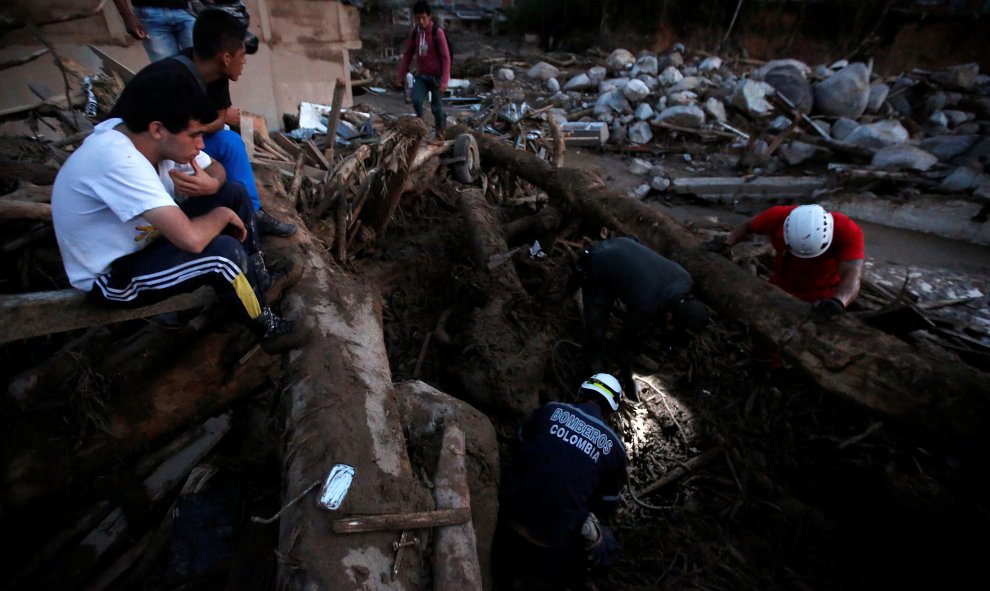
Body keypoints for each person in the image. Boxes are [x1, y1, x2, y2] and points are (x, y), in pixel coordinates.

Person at [52, 69, 302, 353]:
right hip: (113, 277)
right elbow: (192, 240)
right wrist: (219, 216)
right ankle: (267, 329)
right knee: (223, 254)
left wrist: (212, 184)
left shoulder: (151, 136)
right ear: (158, 129)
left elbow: (216, 168)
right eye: (195, 135)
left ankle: (259, 279)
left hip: (149, 244)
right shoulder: (117, 160)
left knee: (233, 193)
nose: (201, 144)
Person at [110, 7, 296, 238]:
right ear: (226, 58)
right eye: (242, 56)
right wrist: (192, 139)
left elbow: (217, 122)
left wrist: (207, 164)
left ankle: (254, 213)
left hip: (173, 141)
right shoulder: (172, 79)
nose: (244, 62)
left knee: (229, 141)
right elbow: (168, 134)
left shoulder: (215, 73)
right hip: (146, 152)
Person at [498, 374, 628, 590]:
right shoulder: (614, 447)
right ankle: (569, 578)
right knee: (608, 546)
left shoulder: (550, 410)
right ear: (611, 411)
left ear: (581, 393)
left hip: (510, 510)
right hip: (553, 536)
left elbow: (516, 446)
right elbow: (607, 506)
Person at [572, 237, 711, 397]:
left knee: (647, 322)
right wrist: (629, 383)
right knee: (596, 329)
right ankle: (591, 373)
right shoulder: (647, 306)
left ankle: (636, 351)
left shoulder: (685, 280)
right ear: (669, 316)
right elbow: (621, 346)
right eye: (672, 326)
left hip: (622, 243)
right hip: (598, 263)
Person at [720, 204, 865, 320]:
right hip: (782, 283)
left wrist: (839, 301)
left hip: (822, 292)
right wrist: (726, 244)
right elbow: (748, 225)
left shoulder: (847, 230)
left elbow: (852, 272)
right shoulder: (777, 217)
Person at [395, 1, 451, 134]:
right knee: (416, 99)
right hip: (422, 77)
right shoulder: (416, 33)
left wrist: (444, 80)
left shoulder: (438, 33)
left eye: (423, 18)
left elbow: (446, 58)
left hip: (436, 78)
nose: (421, 21)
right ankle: (421, 128)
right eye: (418, 18)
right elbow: (408, 54)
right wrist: (401, 75)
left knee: (436, 109)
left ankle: (440, 132)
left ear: (429, 16)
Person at [112, 0, 196, 62]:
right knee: (165, 72)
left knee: (201, 65)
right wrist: (127, 17)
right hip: (149, 15)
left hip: (186, 11)